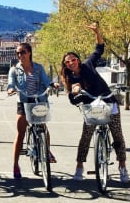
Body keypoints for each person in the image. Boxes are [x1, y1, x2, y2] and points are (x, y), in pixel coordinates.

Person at [60, 22, 129, 182]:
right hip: (90, 107)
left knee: (117, 135)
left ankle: (123, 168)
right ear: (65, 65)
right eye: (67, 62)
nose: (71, 63)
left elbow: (99, 48)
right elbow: (72, 100)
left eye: (73, 59)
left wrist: (97, 32)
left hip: (108, 101)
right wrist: (74, 92)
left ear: (78, 59)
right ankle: (79, 168)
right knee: (86, 136)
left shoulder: (88, 64)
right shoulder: (69, 78)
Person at [7, 42, 59, 180]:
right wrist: (11, 89)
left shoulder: (38, 68)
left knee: (43, 128)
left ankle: (46, 151)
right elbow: (11, 83)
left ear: (29, 53)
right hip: (23, 102)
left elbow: (46, 80)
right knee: (20, 133)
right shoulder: (14, 70)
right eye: (18, 53)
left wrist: (52, 84)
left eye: (23, 52)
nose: (20, 55)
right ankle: (15, 165)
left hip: (39, 101)